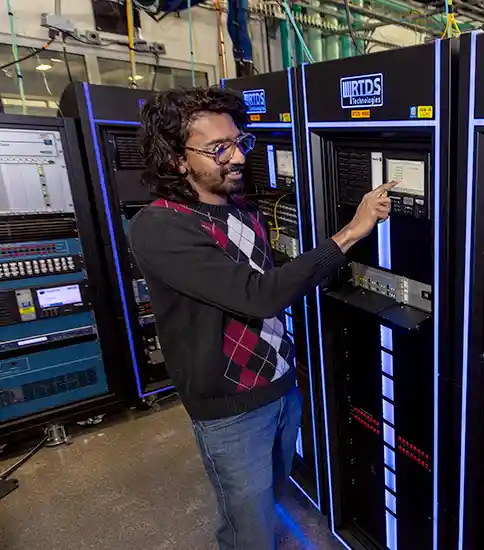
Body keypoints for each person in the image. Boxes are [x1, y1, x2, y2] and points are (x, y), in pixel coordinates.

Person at [128, 87, 395, 550]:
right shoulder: (160, 227)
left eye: (239, 143)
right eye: (218, 149)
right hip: (230, 410)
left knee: (270, 498)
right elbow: (258, 296)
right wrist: (351, 232)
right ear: (176, 160)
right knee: (247, 527)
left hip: (280, 388)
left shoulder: (241, 207)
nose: (236, 157)